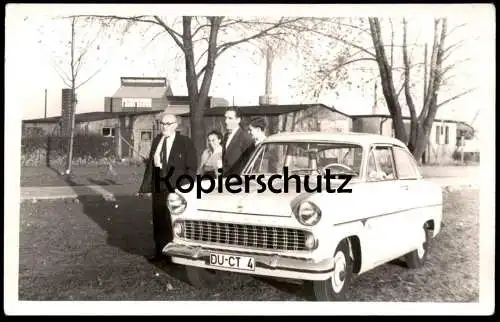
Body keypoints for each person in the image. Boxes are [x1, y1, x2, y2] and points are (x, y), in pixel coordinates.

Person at [138, 113, 197, 262]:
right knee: (159, 219)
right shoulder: (158, 140)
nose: (164, 127)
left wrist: (184, 189)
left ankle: (176, 256)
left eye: (168, 124)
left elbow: (191, 168)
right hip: (159, 186)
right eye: (162, 124)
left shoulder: (185, 142)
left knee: (174, 222)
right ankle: (159, 253)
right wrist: (148, 186)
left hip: (176, 189)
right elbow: (151, 165)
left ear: (176, 125)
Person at [221, 107, 254, 177]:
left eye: (230, 118)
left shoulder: (245, 138)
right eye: (225, 118)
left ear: (238, 120)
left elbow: (250, 163)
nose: (226, 121)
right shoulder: (226, 136)